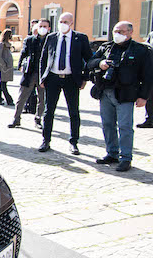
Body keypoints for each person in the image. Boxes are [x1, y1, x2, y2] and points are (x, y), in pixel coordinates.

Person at [87, 21, 153, 171]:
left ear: (130, 32)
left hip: (126, 94)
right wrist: (100, 63)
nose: (117, 34)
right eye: (115, 31)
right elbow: (90, 62)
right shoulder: (106, 47)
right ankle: (112, 153)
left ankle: (126, 158)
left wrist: (144, 96)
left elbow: (148, 75)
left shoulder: (141, 50)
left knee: (125, 127)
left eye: (121, 32)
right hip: (106, 91)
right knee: (107, 124)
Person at [38, 12, 92, 154]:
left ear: (71, 23)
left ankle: (73, 142)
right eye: (61, 21)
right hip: (53, 78)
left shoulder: (80, 38)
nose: (62, 24)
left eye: (66, 22)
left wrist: (85, 78)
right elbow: (43, 58)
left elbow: (89, 59)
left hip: (71, 79)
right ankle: (46, 140)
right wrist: (42, 78)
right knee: (48, 111)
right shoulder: (51, 37)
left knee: (73, 112)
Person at [10, 20, 48, 128]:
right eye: (40, 26)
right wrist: (20, 65)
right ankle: (16, 118)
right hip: (29, 73)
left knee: (42, 99)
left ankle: (38, 119)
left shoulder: (50, 40)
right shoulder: (30, 40)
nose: (42, 28)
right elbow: (24, 53)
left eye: (44, 26)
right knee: (22, 97)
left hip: (43, 74)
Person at [0, 29, 15, 106]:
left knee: (1, 84)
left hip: (7, 68)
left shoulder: (7, 44)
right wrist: (4, 65)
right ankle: (9, 100)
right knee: (2, 84)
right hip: (3, 68)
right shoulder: (2, 44)